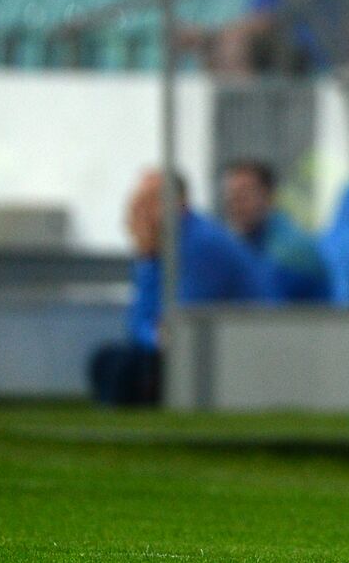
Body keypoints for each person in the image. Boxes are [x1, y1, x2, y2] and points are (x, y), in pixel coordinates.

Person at [88, 170, 270, 405]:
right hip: (198, 347)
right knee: (106, 359)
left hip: (237, 351)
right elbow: (139, 321)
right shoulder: (159, 243)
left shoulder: (202, 243)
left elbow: (182, 322)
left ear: (179, 202)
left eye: (151, 199)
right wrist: (147, 257)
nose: (140, 207)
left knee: (130, 368)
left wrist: (156, 333)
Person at [221, 160, 331, 302]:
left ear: (269, 197)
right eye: (231, 197)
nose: (235, 205)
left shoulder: (289, 251)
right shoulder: (243, 243)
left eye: (244, 196)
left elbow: (265, 310)